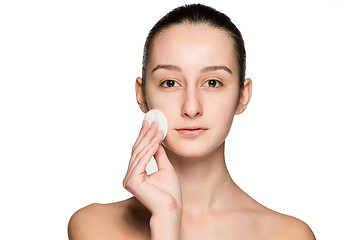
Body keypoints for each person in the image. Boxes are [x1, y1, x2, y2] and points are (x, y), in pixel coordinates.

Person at [68, 4, 315, 240]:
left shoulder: (289, 234)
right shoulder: (95, 225)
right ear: (142, 95)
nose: (191, 108)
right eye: (170, 83)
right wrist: (165, 218)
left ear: (243, 95)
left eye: (212, 82)